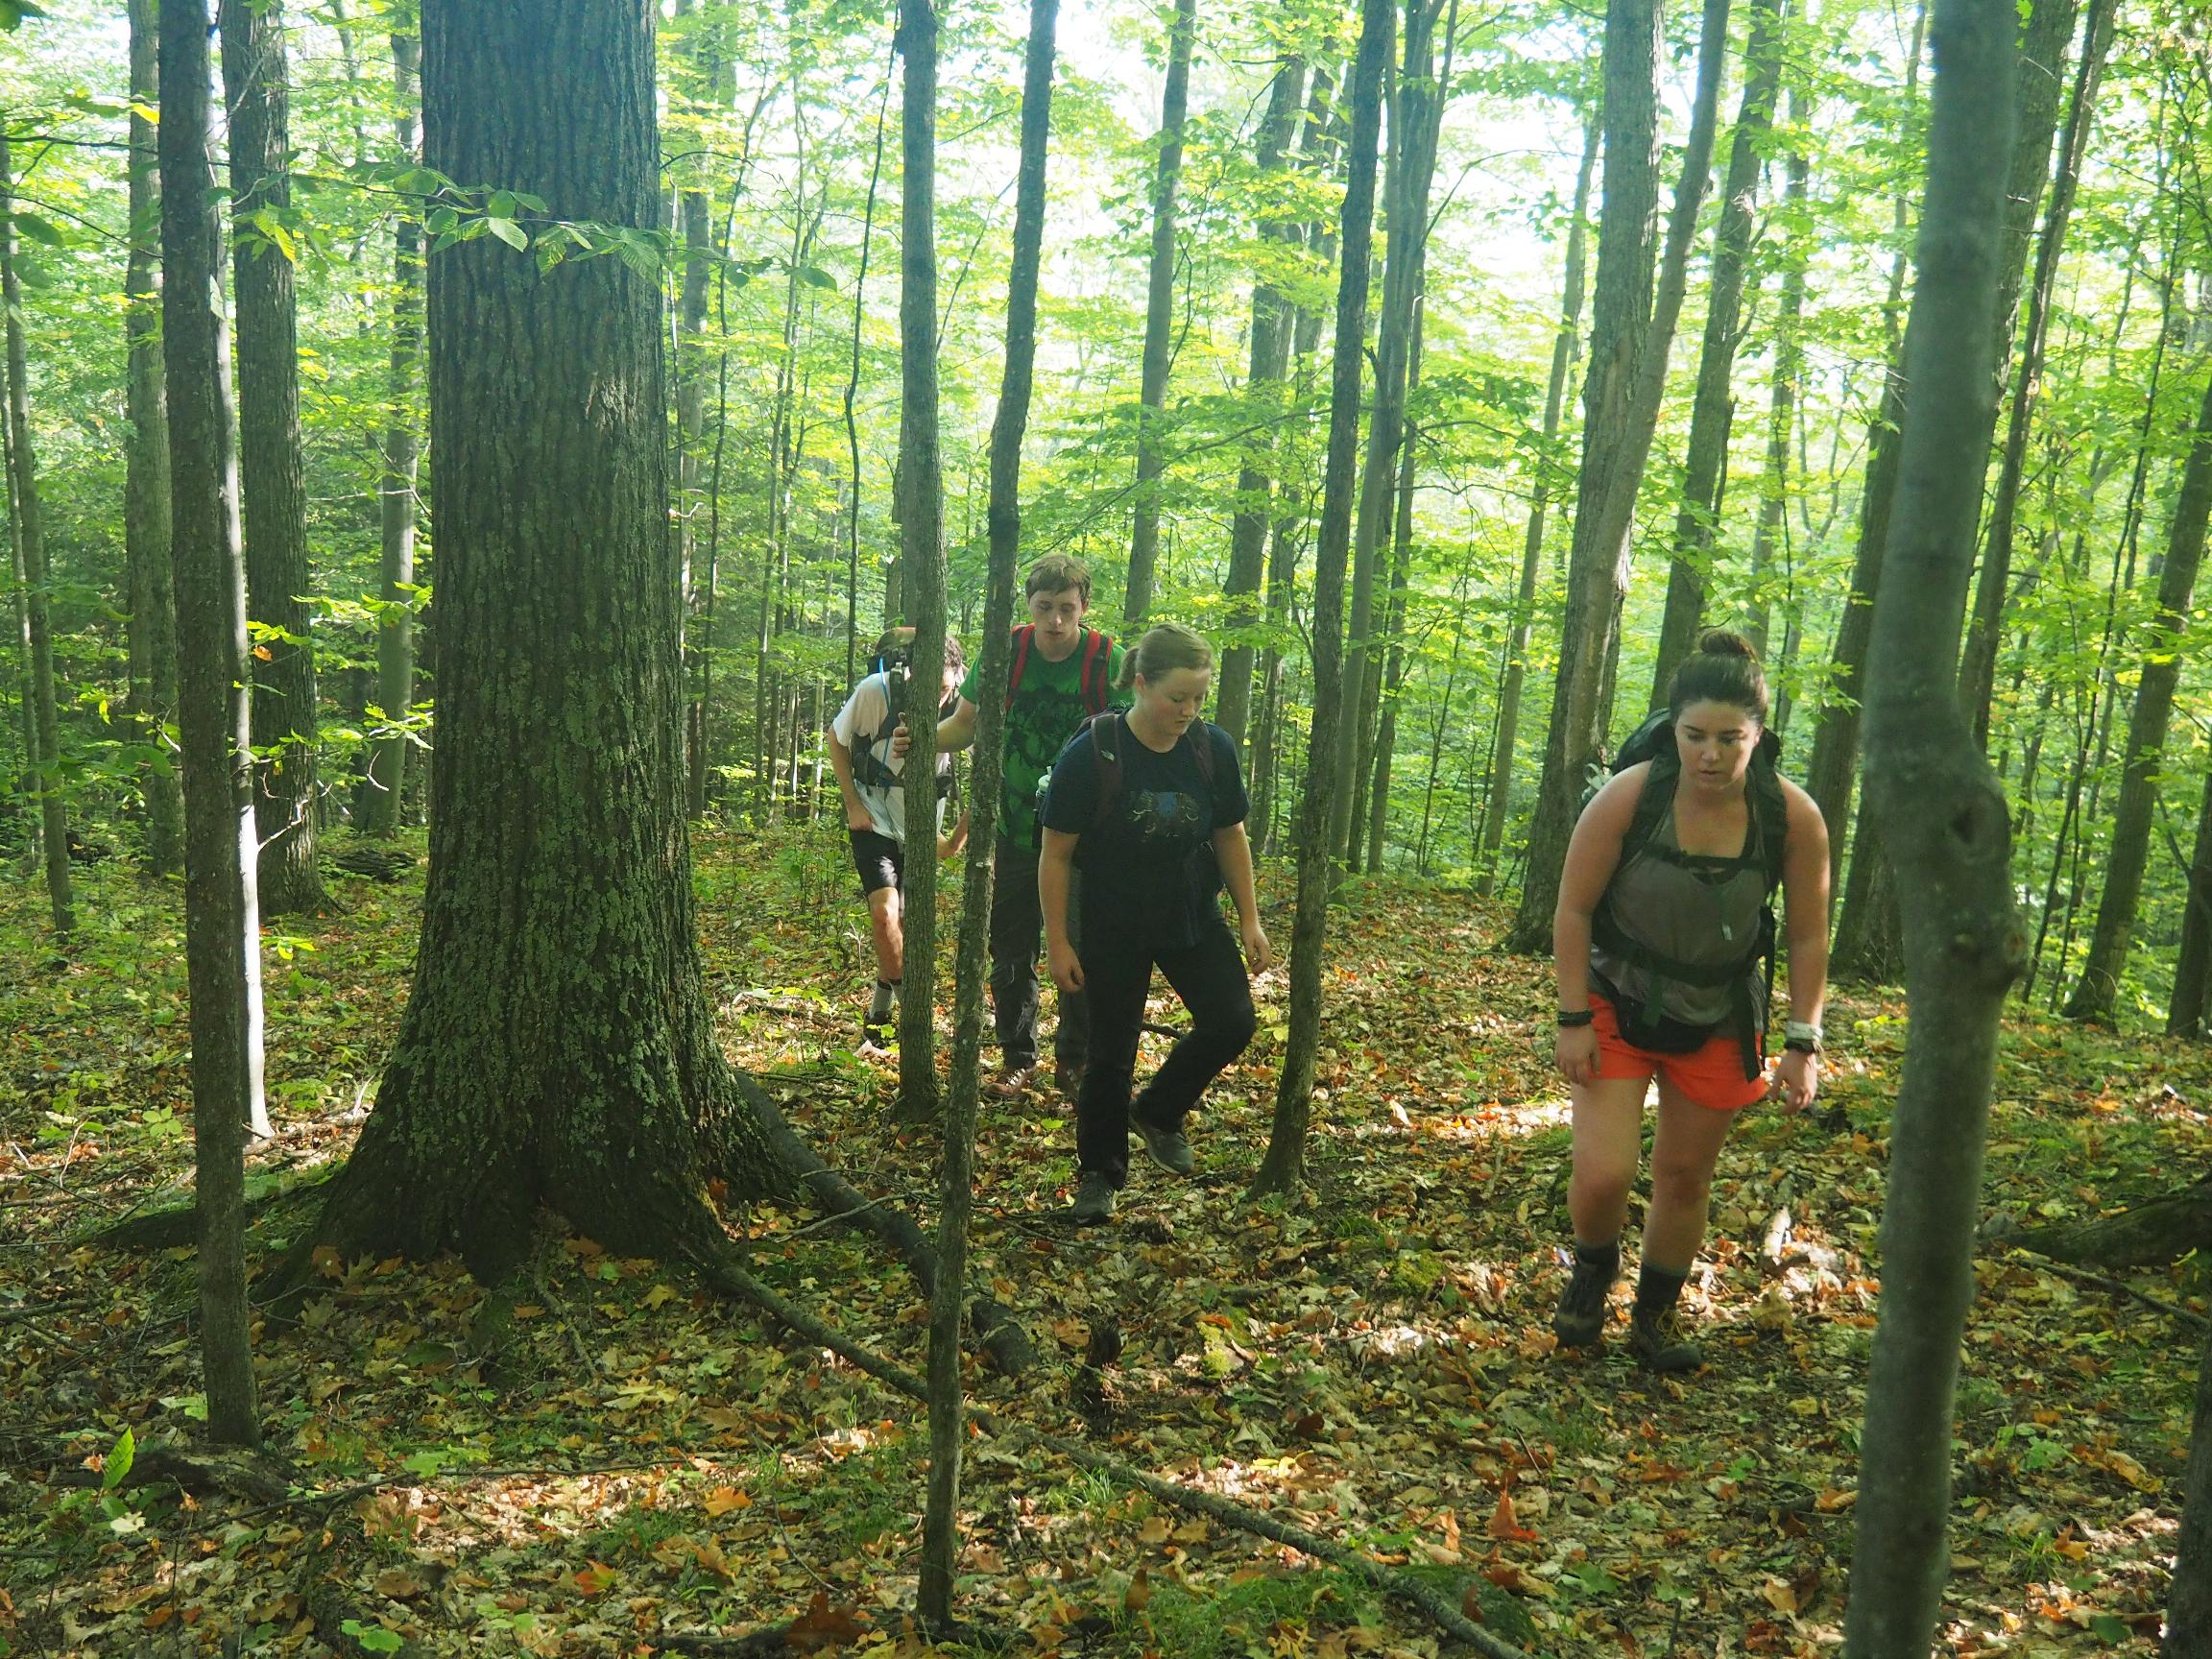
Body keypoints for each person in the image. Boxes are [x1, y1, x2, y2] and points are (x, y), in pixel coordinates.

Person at [1550, 630, 1830, 1370]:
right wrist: (1573, 1018)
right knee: (1604, 1173)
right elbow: (1573, 910)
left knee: (1683, 1177)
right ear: (1673, 729)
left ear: (1758, 736)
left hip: (1719, 1012)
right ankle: (1593, 1267)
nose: (1710, 754)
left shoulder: (1792, 816)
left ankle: (1654, 1318)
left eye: (1729, 739)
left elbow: (1809, 936)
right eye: (1694, 735)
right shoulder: (1630, 796)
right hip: (1617, 996)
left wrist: (1803, 1042)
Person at [1037, 622, 1271, 1224]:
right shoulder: (1093, 754)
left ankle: (1159, 1111)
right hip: (1112, 916)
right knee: (1111, 1052)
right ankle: (1099, 1175)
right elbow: (1056, 853)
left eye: (1199, 698)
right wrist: (1058, 941)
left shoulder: (1211, 749)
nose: (1189, 711)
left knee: (1232, 1020)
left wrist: (1250, 919)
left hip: (1189, 908)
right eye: (1177, 697)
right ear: (1141, 684)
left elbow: (1230, 834)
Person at [929, 555, 1124, 1098]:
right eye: (1044, 607)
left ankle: (1075, 1061)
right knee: (1010, 950)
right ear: (1028, 605)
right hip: (1012, 830)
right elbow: (964, 726)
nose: (1055, 621)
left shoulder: (1107, 661)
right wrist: (918, 736)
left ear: (1084, 607)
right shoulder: (1005, 653)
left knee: (1082, 947)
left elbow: (1135, 736)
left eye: (1067, 608)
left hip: (1086, 838)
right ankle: (1018, 1059)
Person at [828, 630, 969, 1046]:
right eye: (928, 688)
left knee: (902, 928)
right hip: (873, 817)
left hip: (922, 827)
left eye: (944, 688)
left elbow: (986, 766)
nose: (936, 700)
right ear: (910, 673)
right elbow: (836, 739)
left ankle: (879, 1015)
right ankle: (913, 1019)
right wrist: (853, 805)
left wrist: (957, 836)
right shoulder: (877, 691)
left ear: (956, 677)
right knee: (885, 916)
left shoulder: (963, 705)